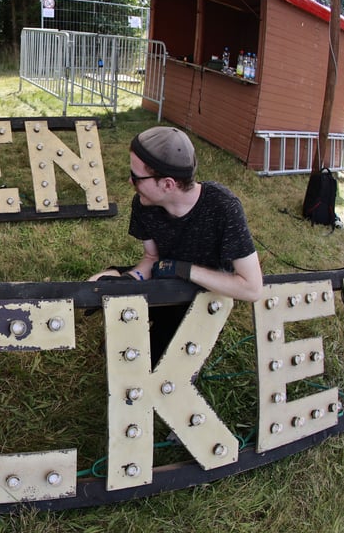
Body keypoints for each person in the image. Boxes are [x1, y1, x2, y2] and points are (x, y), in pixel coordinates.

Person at [88, 126, 263, 361]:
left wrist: (184, 270)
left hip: (203, 294)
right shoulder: (143, 204)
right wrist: (130, 281)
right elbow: (152, 259)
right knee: (97, 283)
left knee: (152, 361)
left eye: (137, 177)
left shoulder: (223, 207)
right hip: (164, 276)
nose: (130, 181)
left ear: (168, 184)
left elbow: (252, 288)